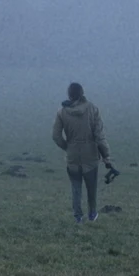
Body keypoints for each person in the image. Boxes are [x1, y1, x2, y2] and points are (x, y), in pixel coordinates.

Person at [52, 81, 112, 223]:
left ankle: (78, 217)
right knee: (91, 187)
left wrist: (68, 147)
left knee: (76, 188)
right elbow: (99, 136)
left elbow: (56, 136)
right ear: (82, 93)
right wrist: (106, 155)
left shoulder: (62, 112)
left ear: (69, 95)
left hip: (72, 156)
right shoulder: (93, 109)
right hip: (90, 155)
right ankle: (92, 214)